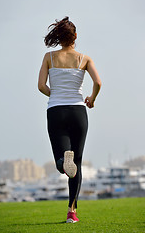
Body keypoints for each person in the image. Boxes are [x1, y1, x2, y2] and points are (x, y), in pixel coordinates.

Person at [38, 16, 102, 223]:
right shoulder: (85, 58)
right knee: (78, 163)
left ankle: (61, 162)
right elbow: (98, 82)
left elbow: (40, 86)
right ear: (75, 37)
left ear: (59, 37)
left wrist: (55, 95)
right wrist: (91, 99)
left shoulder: (49, 57)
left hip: (56, 110)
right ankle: (71, 213)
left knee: (62, 160)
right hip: (78, 111)